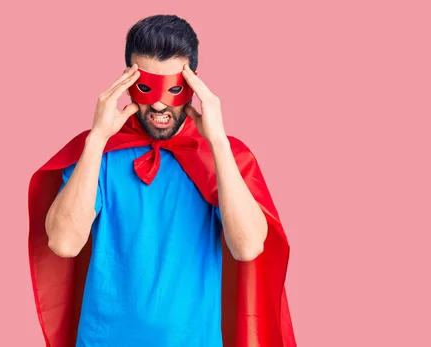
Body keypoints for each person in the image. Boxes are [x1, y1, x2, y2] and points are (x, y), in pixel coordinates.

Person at [27, 14, 296, 347]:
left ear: (193, 85)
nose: (157, 103)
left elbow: (249, 247)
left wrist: (218, 142)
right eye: (145, 86)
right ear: (125, 83)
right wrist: (96, 139)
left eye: (173, 88)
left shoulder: (222, 157)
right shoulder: (100, 154)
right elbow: (63, 244)